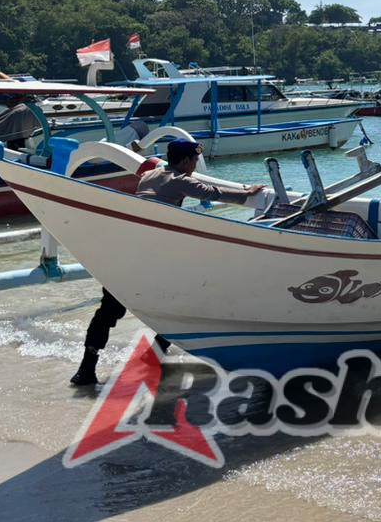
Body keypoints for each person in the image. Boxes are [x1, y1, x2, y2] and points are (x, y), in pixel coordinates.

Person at [71, 140, 266, 385]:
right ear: (185, 161)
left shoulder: (149, 176)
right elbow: (212, 193)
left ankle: (86, 369)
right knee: (183, 303)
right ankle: (155, 354)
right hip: (154, 259)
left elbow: (162, 176)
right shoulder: (181, 181)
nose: (195, 165)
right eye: (194, 161)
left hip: (124, 256)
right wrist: (248, 193)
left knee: (107, 312)